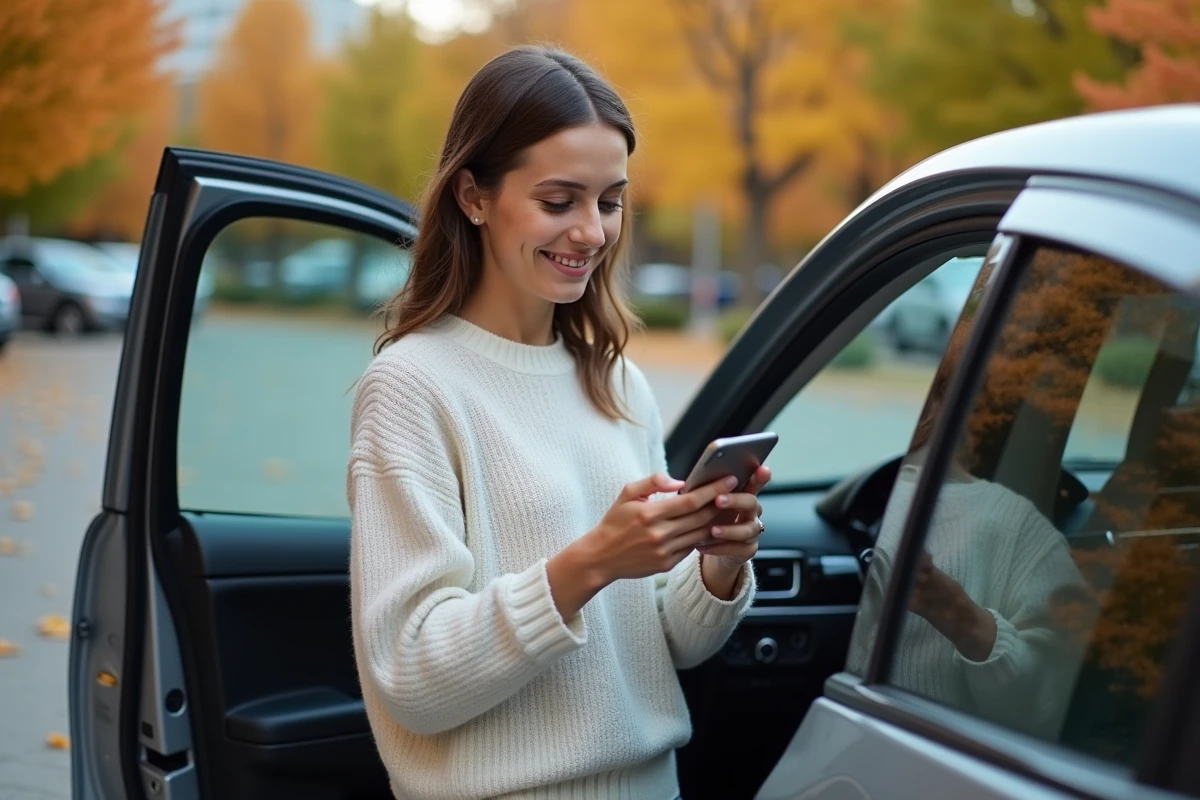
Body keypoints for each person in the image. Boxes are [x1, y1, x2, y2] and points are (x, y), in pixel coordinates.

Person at [347, 45, 770, 800]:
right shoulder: (411, 387)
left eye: (609, 202)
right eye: (558, 201)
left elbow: (667, 643)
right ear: (474, 196)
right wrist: (592, 563)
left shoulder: (616, 383)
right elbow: (410, 673)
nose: (591, 232)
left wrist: (717, 563)